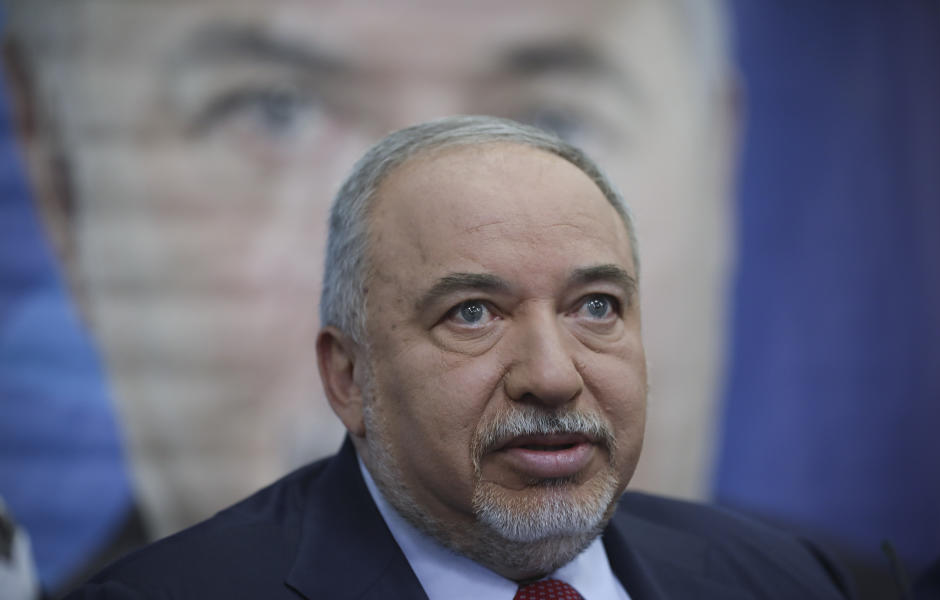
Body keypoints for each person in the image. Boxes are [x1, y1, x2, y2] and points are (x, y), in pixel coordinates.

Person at [54, 117, 860, 600]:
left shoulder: (794, 590)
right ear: (348, 376)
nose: (551, 376)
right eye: (472, 313)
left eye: (597, 306)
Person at [2, 0, 734, 548]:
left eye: (553, 119)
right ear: (63, 184)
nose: (545, 374)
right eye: (276, 110)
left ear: (720, 170)